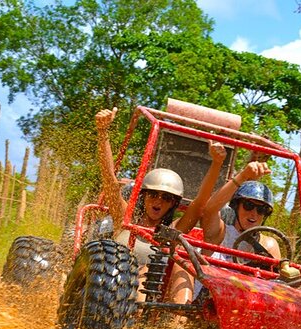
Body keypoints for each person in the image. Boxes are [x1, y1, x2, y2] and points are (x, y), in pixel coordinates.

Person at [95, 108, 227, 302]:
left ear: (173, 203)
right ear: (144, 195)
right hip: (107, 287)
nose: (158, 201)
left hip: (142, 297)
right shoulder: (125, 217)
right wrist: (102, 133)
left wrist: (216, 163)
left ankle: (174, 326)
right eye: (153, 195)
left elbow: (199, 204)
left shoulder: (171, 233)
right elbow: (109, 179)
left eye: (166, 198)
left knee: (182, 266)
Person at [200, 161, 281, 262]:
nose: (254, 213)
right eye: (249, 205)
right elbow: (210, 210)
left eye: (261, 210)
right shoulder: (220, 232)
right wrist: (243, 175)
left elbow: (276, 275)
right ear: (236, 206)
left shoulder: (268, 245)